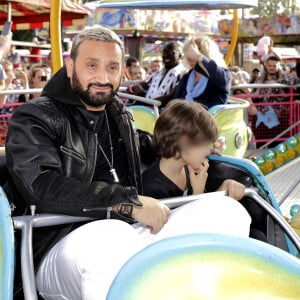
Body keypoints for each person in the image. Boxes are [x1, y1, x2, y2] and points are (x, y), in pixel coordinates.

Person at [5, 26, 250, 300]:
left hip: (130, 233)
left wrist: (218, 181)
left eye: (112, 67)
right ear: (71, 66)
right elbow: (42, 186)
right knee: (111, 237)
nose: (103, 77)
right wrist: (127, 202)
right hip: (61, 246)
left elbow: (160, 149)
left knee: (227, 211)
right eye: (92, 65)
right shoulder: (35, 117)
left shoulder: (119, 116)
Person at [142, 100, 246, 200]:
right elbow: (194, 218)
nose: (206, 151)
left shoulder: (188, 167)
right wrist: (197, 193)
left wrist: (225, 186)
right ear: (181, 143)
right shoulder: (152, 189)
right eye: (203, 144)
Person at [173, 36, 231, 109]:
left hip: (209, 119)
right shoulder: (187, 76)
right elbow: (176, 101)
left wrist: (199, 57)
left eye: (194, 52)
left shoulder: (223, 74)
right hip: (185, 117)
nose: (190, 58)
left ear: (206, 53)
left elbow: (220, 78)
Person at [128, 42, 185, 107]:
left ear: (180, 56)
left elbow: (171, 97)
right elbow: (143, 84)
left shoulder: (183, 74)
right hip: (148, 109)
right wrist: (133, 88)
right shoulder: (158, 73)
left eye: (171, 53)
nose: (166, 55)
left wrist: (147, 103)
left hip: (163, 113)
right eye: (164, 52)